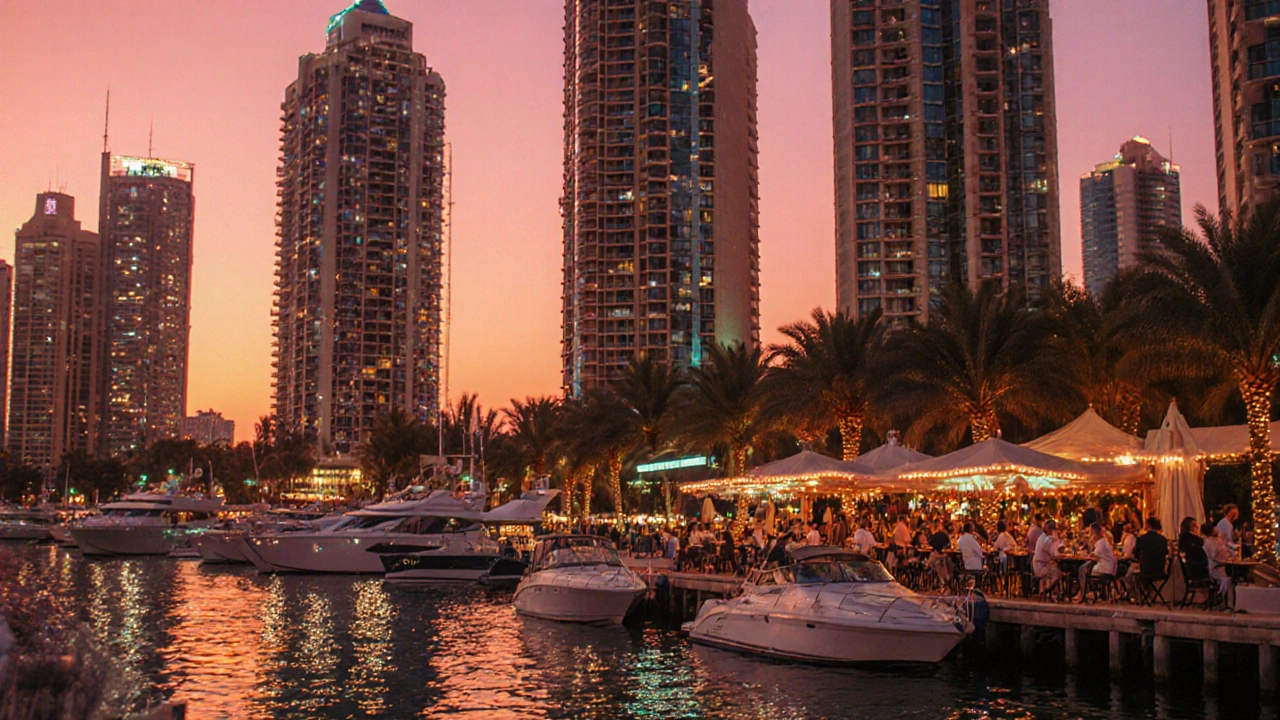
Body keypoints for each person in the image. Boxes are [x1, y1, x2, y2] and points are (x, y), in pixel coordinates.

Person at [1125, 517, 1169, 600]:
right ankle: (1147, 595)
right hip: (1159, 570)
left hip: (1145, 569)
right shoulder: (1163, 539)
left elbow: (1136, 554)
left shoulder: (1142, 538)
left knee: (1130, 574)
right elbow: (1166, 553)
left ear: (1148, 525)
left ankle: (1138, 596)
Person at [1074, 523, 1117, 602]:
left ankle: (1082, 595)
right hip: (1109, 567)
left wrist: (1087, 556)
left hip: (1104, 568)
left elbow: (1095, 557)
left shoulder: (1101, 543)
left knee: (1083, 571)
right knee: (1083, 569)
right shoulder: (1103, 542)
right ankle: (1081, 593)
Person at [1033, 520, 1063, 595]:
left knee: (1056, 568)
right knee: (1059, 573)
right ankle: (1047, 589)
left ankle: (1053, 592)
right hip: (1042, 567)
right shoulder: (1048, 540)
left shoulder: (1042, 537)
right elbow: (1054, 554)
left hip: (1038, 565)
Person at [1203, 522, 1233, 596]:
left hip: (1222, 566)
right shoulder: (1209, 542)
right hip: (1215, 569)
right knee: (1228, 579)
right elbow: (1214, 556)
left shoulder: (1217, 540)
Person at [1179, 516, 1210, 584]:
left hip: (1190, 570)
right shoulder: (1196, 540)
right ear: (1194, 526)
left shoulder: (1182, 539)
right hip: (1200, 571)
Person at [927, 518, 953, 584]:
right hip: (941, 559)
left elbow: (930, 544)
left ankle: (943, 581)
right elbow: (949, 548)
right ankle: (948, 579)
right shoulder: (945, 537)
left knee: (940, 562)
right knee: (947, 561)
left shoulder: (935, 535)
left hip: (933, 559)